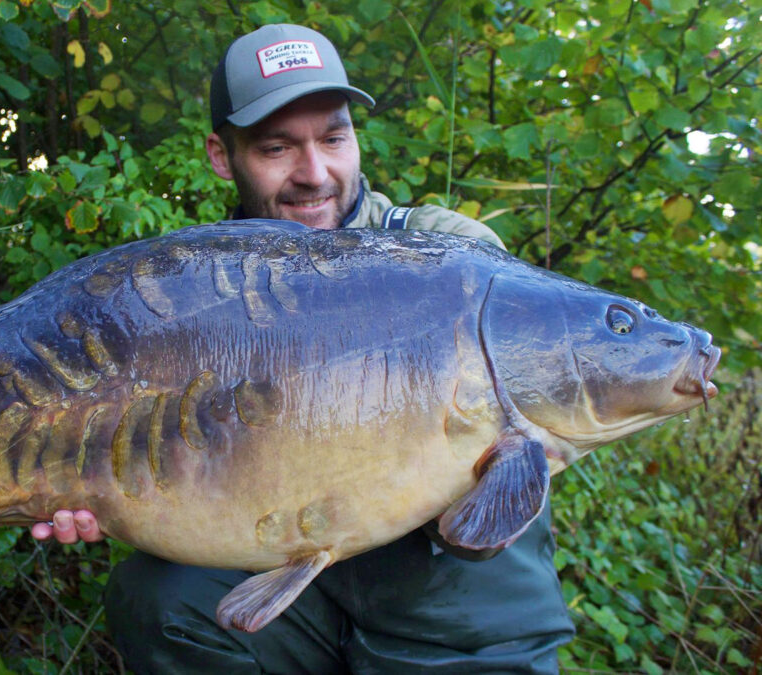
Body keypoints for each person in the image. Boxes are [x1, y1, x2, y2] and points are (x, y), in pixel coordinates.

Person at [33, 24, 575, 673]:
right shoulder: (195, 294)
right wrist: (104, 486)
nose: (314, 173)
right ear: (220, 154)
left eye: (334, 137)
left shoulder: (452, 256)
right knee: (158, 595)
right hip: (298, 603)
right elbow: (175, 472)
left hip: (460, 627)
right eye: (276, 146)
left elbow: (492, 505)